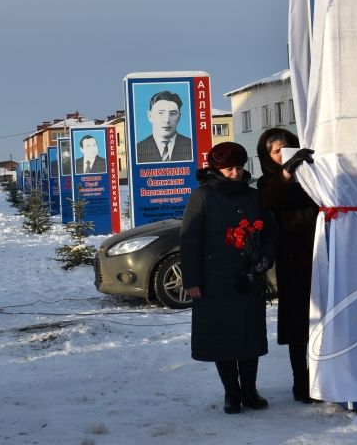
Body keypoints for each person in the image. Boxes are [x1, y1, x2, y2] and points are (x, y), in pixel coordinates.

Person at [180, 142, 277, 414]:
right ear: (216, 169)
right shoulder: (202, 196)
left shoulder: (253, 196)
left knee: (249, 336)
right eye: (228, 168)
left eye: (238, 167)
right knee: (223, 337)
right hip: (215, 280)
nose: (235, 173)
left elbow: (270, 232)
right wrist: (192, 279)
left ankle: (250, 391)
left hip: (248, 277)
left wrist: (264, 260)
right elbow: (190, 240)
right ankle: (231, 393)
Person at [256, 128, 318, 403]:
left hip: (322, 258)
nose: (283, 154)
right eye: (276, 150)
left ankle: (325, 375)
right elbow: (270, 199)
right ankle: (300, 381)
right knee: (298, 326)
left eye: (287, 147)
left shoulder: (315, 175)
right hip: (294, 262)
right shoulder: (268, 182)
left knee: (326, 321)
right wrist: (285, 174)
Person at [136, 90, 193, 163]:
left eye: (172, 113)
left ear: (179, 117)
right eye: (160, 113)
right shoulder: (138, 150)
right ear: (150, 116)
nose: (166, 120)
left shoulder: (192, 147)